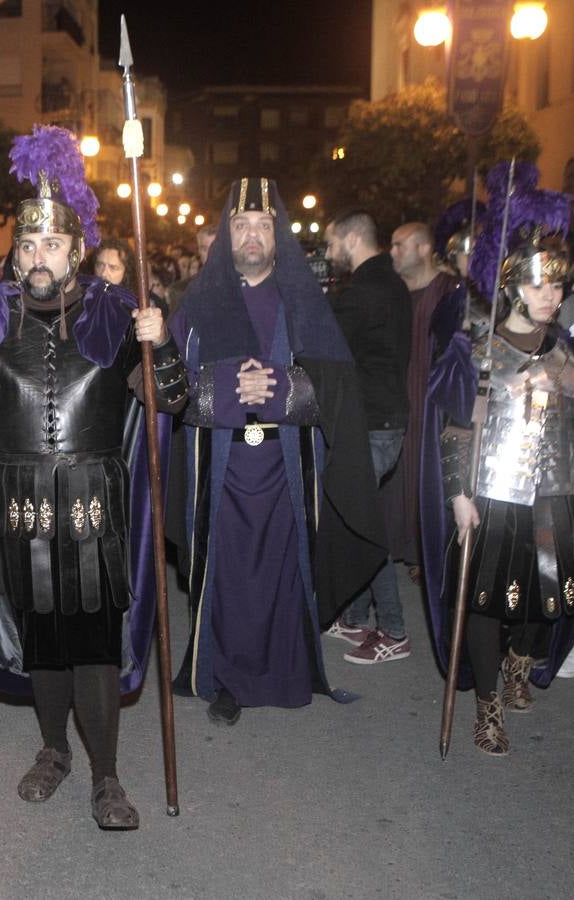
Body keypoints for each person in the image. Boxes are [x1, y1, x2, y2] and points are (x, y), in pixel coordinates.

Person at [0, 125, 186, 830]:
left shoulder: (114, 313)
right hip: (16, 506)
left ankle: (106, 777)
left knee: (94, 644)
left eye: (53, 245)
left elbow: (172, 402)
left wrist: (160, 346)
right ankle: (52, 751)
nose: (38, 257)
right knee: (42, 639)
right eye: (29, 244)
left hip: (93, 506)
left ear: (77, 252)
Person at [167, 177, 385, 726]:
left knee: (284, 569)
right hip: (221, 465)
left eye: (263, 225)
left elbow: (335, 387)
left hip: (288, 465)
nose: (252, 235)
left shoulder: (304, 301)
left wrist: (284, 389)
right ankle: (225, 678)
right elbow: (167, 385)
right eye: (241, 225)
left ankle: (285, 675)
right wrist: (224, 387)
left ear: (278, 235)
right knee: (230, 573)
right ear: (227, 234)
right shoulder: (200, 300)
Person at [420, 164, 574, 754]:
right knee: (488, 601)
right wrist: (459, 494)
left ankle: (521, 666)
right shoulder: (477, 346)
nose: (552, 296)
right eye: (541, 286)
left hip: (553, 496)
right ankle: (487, 708)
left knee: (548, 599)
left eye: (559, 287)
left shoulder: (565, 350)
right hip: (492, 493)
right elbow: (455, 427)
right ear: (514, 286)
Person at [322, 209, 413, 664]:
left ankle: (394, 629)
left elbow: (327, 349)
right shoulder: (392, 283)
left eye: (332, 242)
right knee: (364, 513)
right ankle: (357, 617)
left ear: (353, 237)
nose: (328, 251)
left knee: (364, 523)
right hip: (387, 417)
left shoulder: (363, 292)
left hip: (374, 422)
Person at [382, 222, 466, 576]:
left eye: (400, 245)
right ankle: (402, 547)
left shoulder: (450, 292)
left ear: (422, 248)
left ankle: (429, 551)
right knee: (398, 477)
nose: (393, 252)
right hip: (398, 399)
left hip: (433, 401)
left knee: (429, 474)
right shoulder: (392, 291)